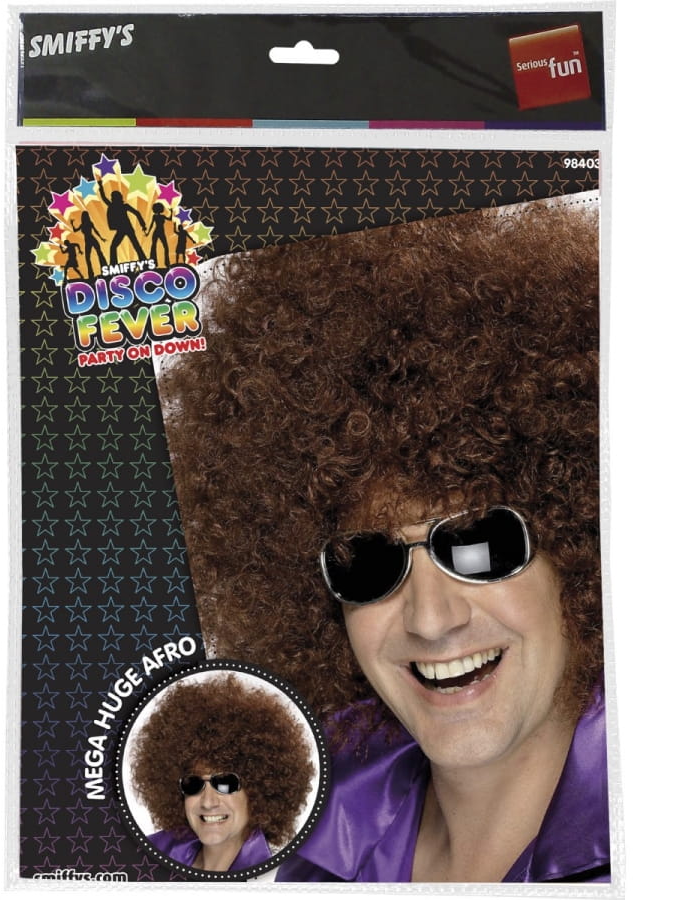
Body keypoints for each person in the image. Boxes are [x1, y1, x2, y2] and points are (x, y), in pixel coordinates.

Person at [157, 198, 607, 882]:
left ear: (582, 555)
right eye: (369, 562)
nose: (431, 618)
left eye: (479, 544)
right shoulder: (317, 848)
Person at [129, 673, 315, 874]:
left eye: (225, 783)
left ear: (258, 793)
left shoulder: (274, 881)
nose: (208, 802)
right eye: (194, 784)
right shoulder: (151, 854)